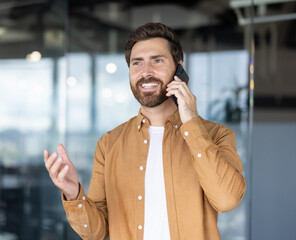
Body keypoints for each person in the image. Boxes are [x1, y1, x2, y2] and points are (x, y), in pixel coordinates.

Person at [44, 22, 246, 240]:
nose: (146, 72)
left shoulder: (217, 136)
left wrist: (191, 123)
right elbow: (97, 233)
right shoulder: (109, 144)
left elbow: (227, 200)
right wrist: (74, 194)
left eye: (157, 61)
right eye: (137, 63)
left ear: (180, 68)